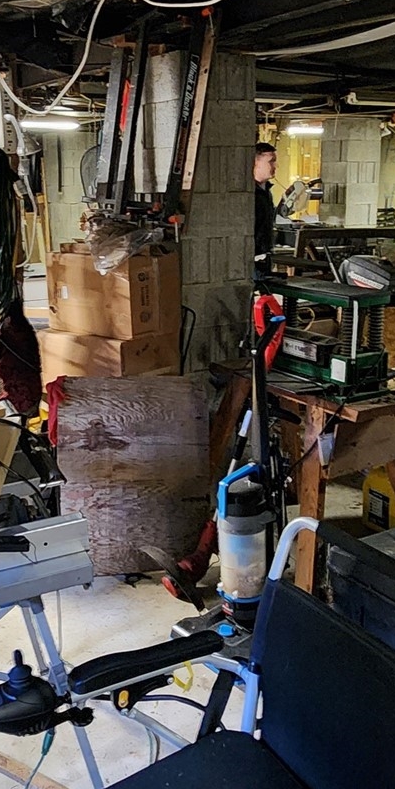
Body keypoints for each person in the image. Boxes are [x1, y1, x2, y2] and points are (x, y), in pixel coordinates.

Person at [142, 143, 284, 609]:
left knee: (247, 465)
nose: (274, 165)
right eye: (268, 159)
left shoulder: (266, 195)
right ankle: (208, 557)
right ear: (251, 163)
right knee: (236, 472)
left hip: (263, 277)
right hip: (255, 277)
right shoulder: (245, 196)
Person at [252, 142, 277, 277]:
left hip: (264, 256)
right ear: (256, 162)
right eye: (271, 161)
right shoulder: (248, 193)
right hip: (251, 259)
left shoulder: (266, 191)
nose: (275, 166)